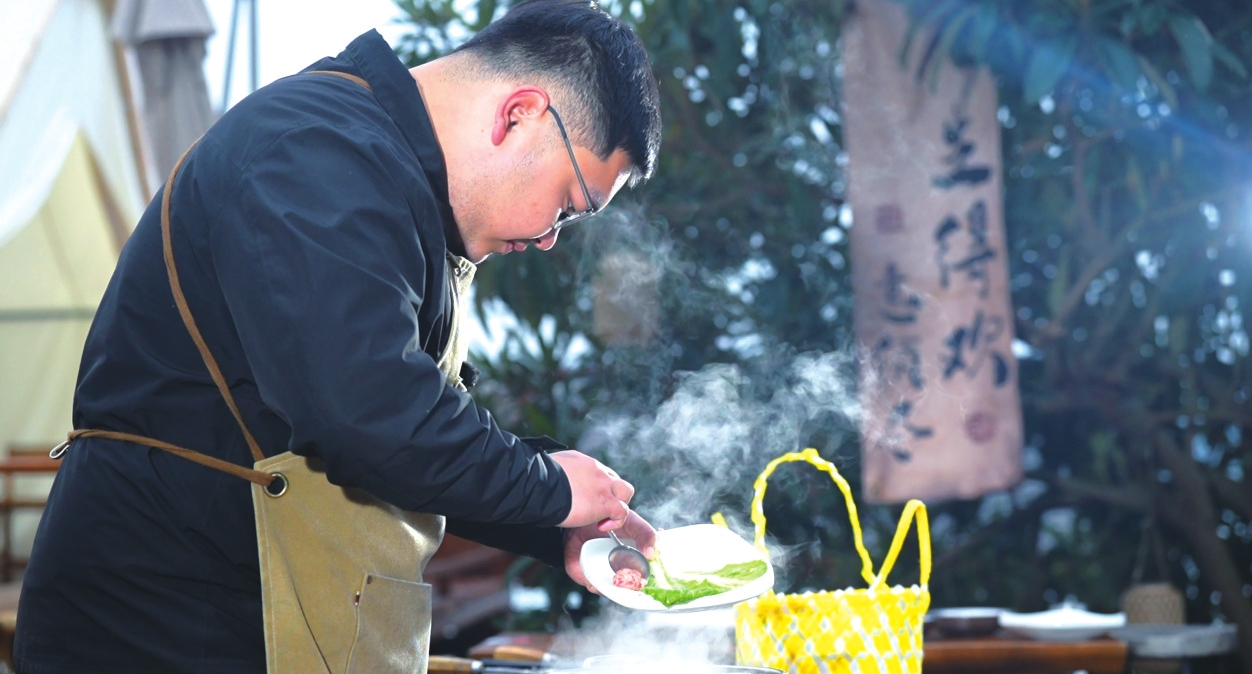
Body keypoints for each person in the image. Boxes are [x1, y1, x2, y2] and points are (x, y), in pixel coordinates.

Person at [14, 1, 662, 671]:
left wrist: (555, 525)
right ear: (519, 114)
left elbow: (414, 437)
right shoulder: (312, 154)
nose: (549, 239)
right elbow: (371, 417)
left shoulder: (393, 187)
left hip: (241, 610)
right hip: (158, 623)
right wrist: (550, 489)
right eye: (566, 206)